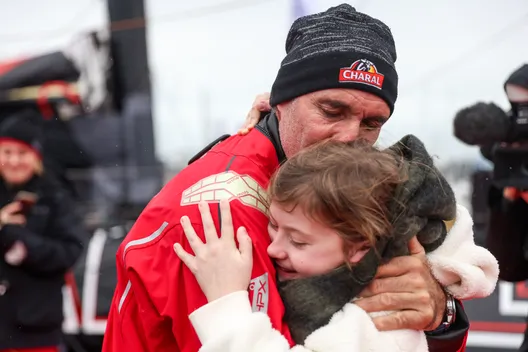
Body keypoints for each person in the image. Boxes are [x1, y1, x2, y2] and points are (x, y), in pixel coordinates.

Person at [103, 4, 470, 352]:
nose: (349, 137)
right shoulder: (222, 212)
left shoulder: (347, 188)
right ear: (280, 100)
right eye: (331, 110)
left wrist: (440, 312)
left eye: (372, 123)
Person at [174, 139, 499, 351]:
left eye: (299, 241)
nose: (274, 248)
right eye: (273, 226)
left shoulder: (380, 323)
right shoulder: (353, 281)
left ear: (360, 245)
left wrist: (227, 301)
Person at [0, 111, 87, 352]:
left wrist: (21, 241)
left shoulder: (55, 197)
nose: (15, 161)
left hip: (36, 329)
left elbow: (70, 251)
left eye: (22, 153)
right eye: (7, 152)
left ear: (36, 157)